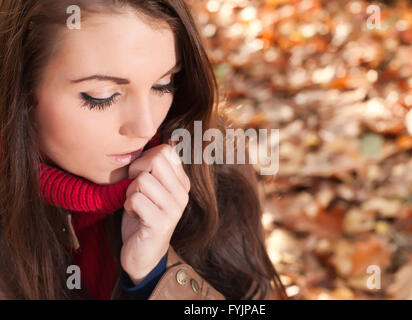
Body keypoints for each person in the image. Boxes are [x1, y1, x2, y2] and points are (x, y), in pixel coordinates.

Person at [0, 0, 287, 300]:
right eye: (102, 97)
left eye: (163, 85)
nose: (146, 127)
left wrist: (155, 276)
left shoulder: (213, 168)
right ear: (21, 93)